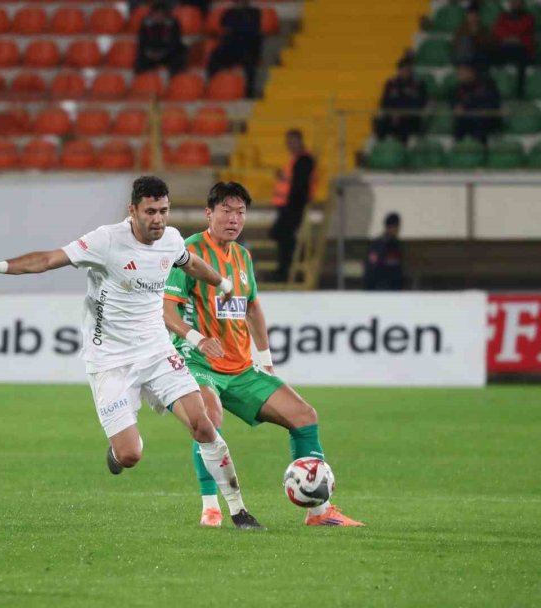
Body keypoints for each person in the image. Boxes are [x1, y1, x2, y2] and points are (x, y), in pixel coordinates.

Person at [0, 176, 262, 529]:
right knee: (131, 454)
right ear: (132, 210)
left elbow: (189, 262)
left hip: (157, 352)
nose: (158, 219)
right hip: (111, 361)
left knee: (203, 425)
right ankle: (116, 454)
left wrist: (222, 283)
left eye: (163, 211)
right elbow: (49, 259)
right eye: (150, 212)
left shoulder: (171, 240)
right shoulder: (105, 241)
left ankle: (239, 510)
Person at [162, 181, 363, 528]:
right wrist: (196, 339)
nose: (234, 218)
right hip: (200, 362)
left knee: (304, 415)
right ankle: (211, 506)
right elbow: (167, 312)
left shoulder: (242, 256)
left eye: (240, 212)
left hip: (241, 368)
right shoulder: (188, 252)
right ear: (209, 214)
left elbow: (252, 308)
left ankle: (319, 512)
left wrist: (265, 361)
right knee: (208, 418)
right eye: (226, 210)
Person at [268, 129, 315, 282]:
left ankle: (286, 270)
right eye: (288, 141)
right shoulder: (296, 159)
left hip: (293, 206)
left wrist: (292, 205)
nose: (290, 144)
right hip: (288, 205)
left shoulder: (303, 160)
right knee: (282, 236)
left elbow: (299, 185)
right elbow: (294, 181)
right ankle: (288, 267)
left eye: (292, 141)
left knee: (281, 235)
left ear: (300, 141)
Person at [206, 0, 262, 97]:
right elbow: (224, 26)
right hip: (231, 48)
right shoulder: (229, 12)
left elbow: (252, 31)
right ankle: (210, 85)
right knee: (214, 56)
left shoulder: (254, 12)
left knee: (250, 63)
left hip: (247, 47)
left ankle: (249, 92)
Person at [373, 57, 428, 143]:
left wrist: (402, 113)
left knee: (404, 124)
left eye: (407, 70)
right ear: (398, 70)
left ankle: (402, 150)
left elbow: (420, 104)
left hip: (410, 117)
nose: (405, 72)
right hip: (393, 116)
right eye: (403, 70)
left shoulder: (418, 84)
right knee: (379, 121)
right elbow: (384, 102)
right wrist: (393, 113)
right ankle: (381, 148)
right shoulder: (391, 83)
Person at [493, 0, 535, 97]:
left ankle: (520, 93)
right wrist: (512, 37)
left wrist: (510, 36)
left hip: (522, 50)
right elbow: (497, 31)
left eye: (517, 1)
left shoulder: (528, 17)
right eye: (512, 1)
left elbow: (523, 30)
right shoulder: (503, 16)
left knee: (521, 60)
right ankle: (495, 90)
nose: (514, 3)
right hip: (505, 48)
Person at [452, 62, 502, 144]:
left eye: (463, 72)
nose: (460, 75)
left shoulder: (486, 85)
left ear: (471, 72)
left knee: (480, 124)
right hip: (467, 120)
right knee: (460, 125)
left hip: (486, 120)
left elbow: (492, 104)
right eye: (459, 72)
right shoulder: (457, 89)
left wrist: (469, 107)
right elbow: (456, 105)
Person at [135, 1, 187, 76]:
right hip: (150, 53)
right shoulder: (146, 23)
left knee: (178, 57)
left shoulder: (173, 23)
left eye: (161, 14)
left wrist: (163, 53)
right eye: (156, 14)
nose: (158, 16)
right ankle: (142, 80)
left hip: (168, 53)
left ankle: (175, 80)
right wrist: (149, 53)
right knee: (140, 61)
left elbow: (175, 42)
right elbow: (142, 42)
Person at [363, 212, 404, 291]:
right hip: (379, 287)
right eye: (395, 227)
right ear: (388, 227)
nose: (397, 230)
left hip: (394, 287)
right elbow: (371, 268)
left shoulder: (397, 245)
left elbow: (398, 268)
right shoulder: (377, 245)